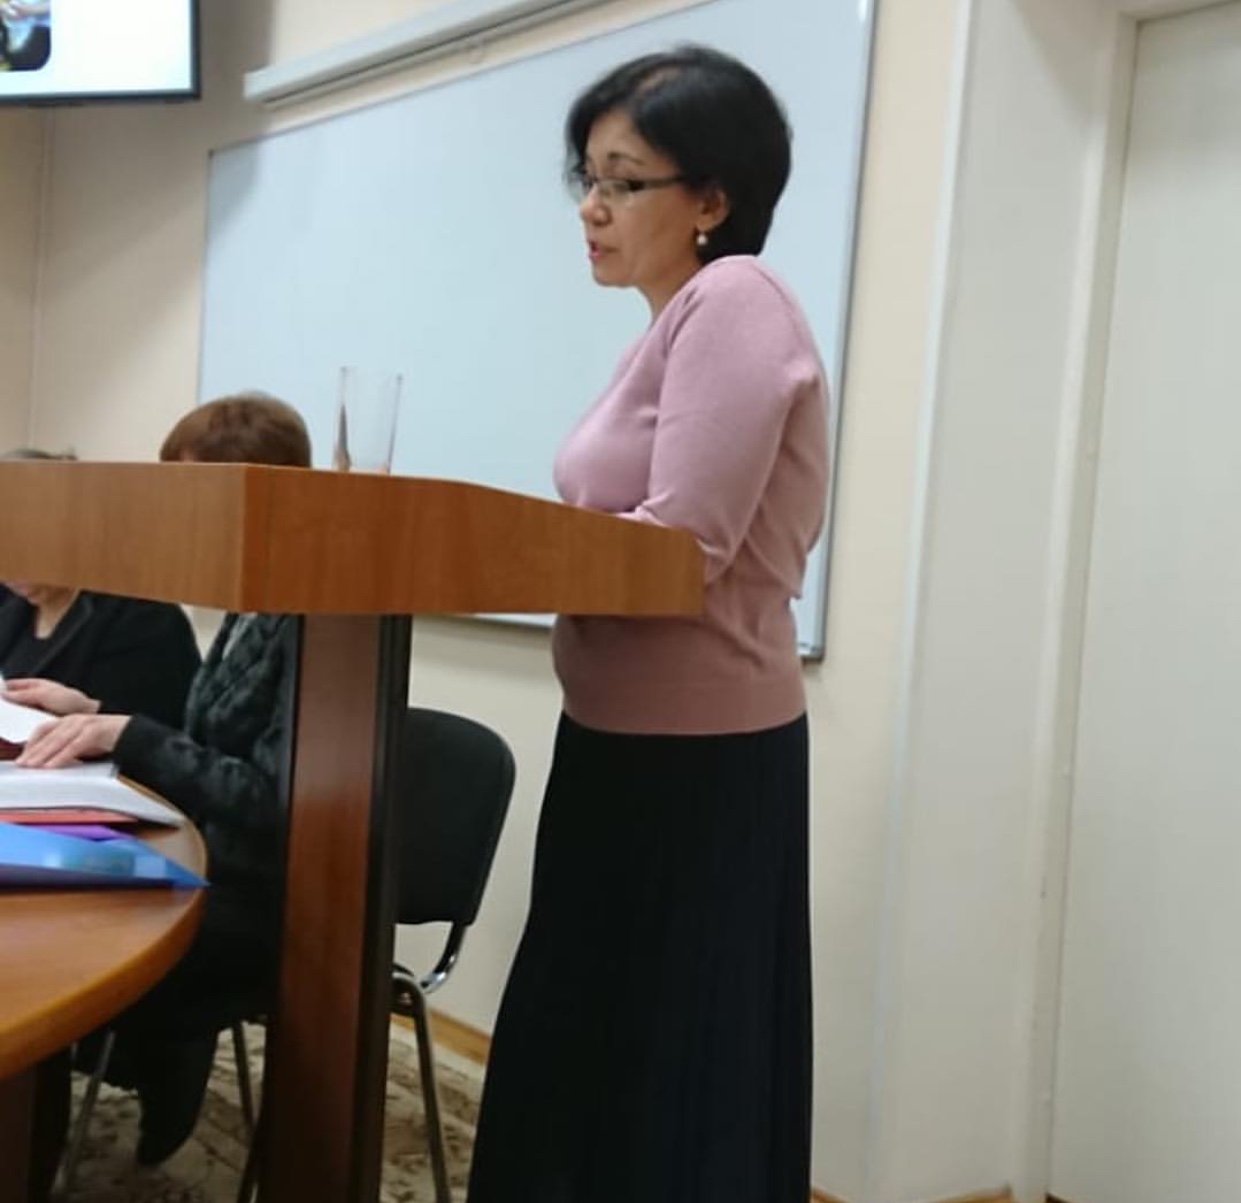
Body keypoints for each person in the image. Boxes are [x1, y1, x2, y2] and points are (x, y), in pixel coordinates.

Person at [466, 46, 829, 1203]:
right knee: (600, 1056)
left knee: (671, 1071)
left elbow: (679, 552)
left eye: (622, 182)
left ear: (710, 198)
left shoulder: (736, 300)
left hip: (698, 765)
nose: (591, 206)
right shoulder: (665, 325)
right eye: (587, 178)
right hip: (619, 738)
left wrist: (494, 550)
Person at [17, 393, 312, 1172]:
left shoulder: (314, 623)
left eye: (189, 495)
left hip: (251, 892)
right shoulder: (252, 602)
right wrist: (94, 712)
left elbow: (272, 801)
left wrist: (130, 734)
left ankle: (33, 1149)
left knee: (45, 926)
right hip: (195, 853)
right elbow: (202, 741)